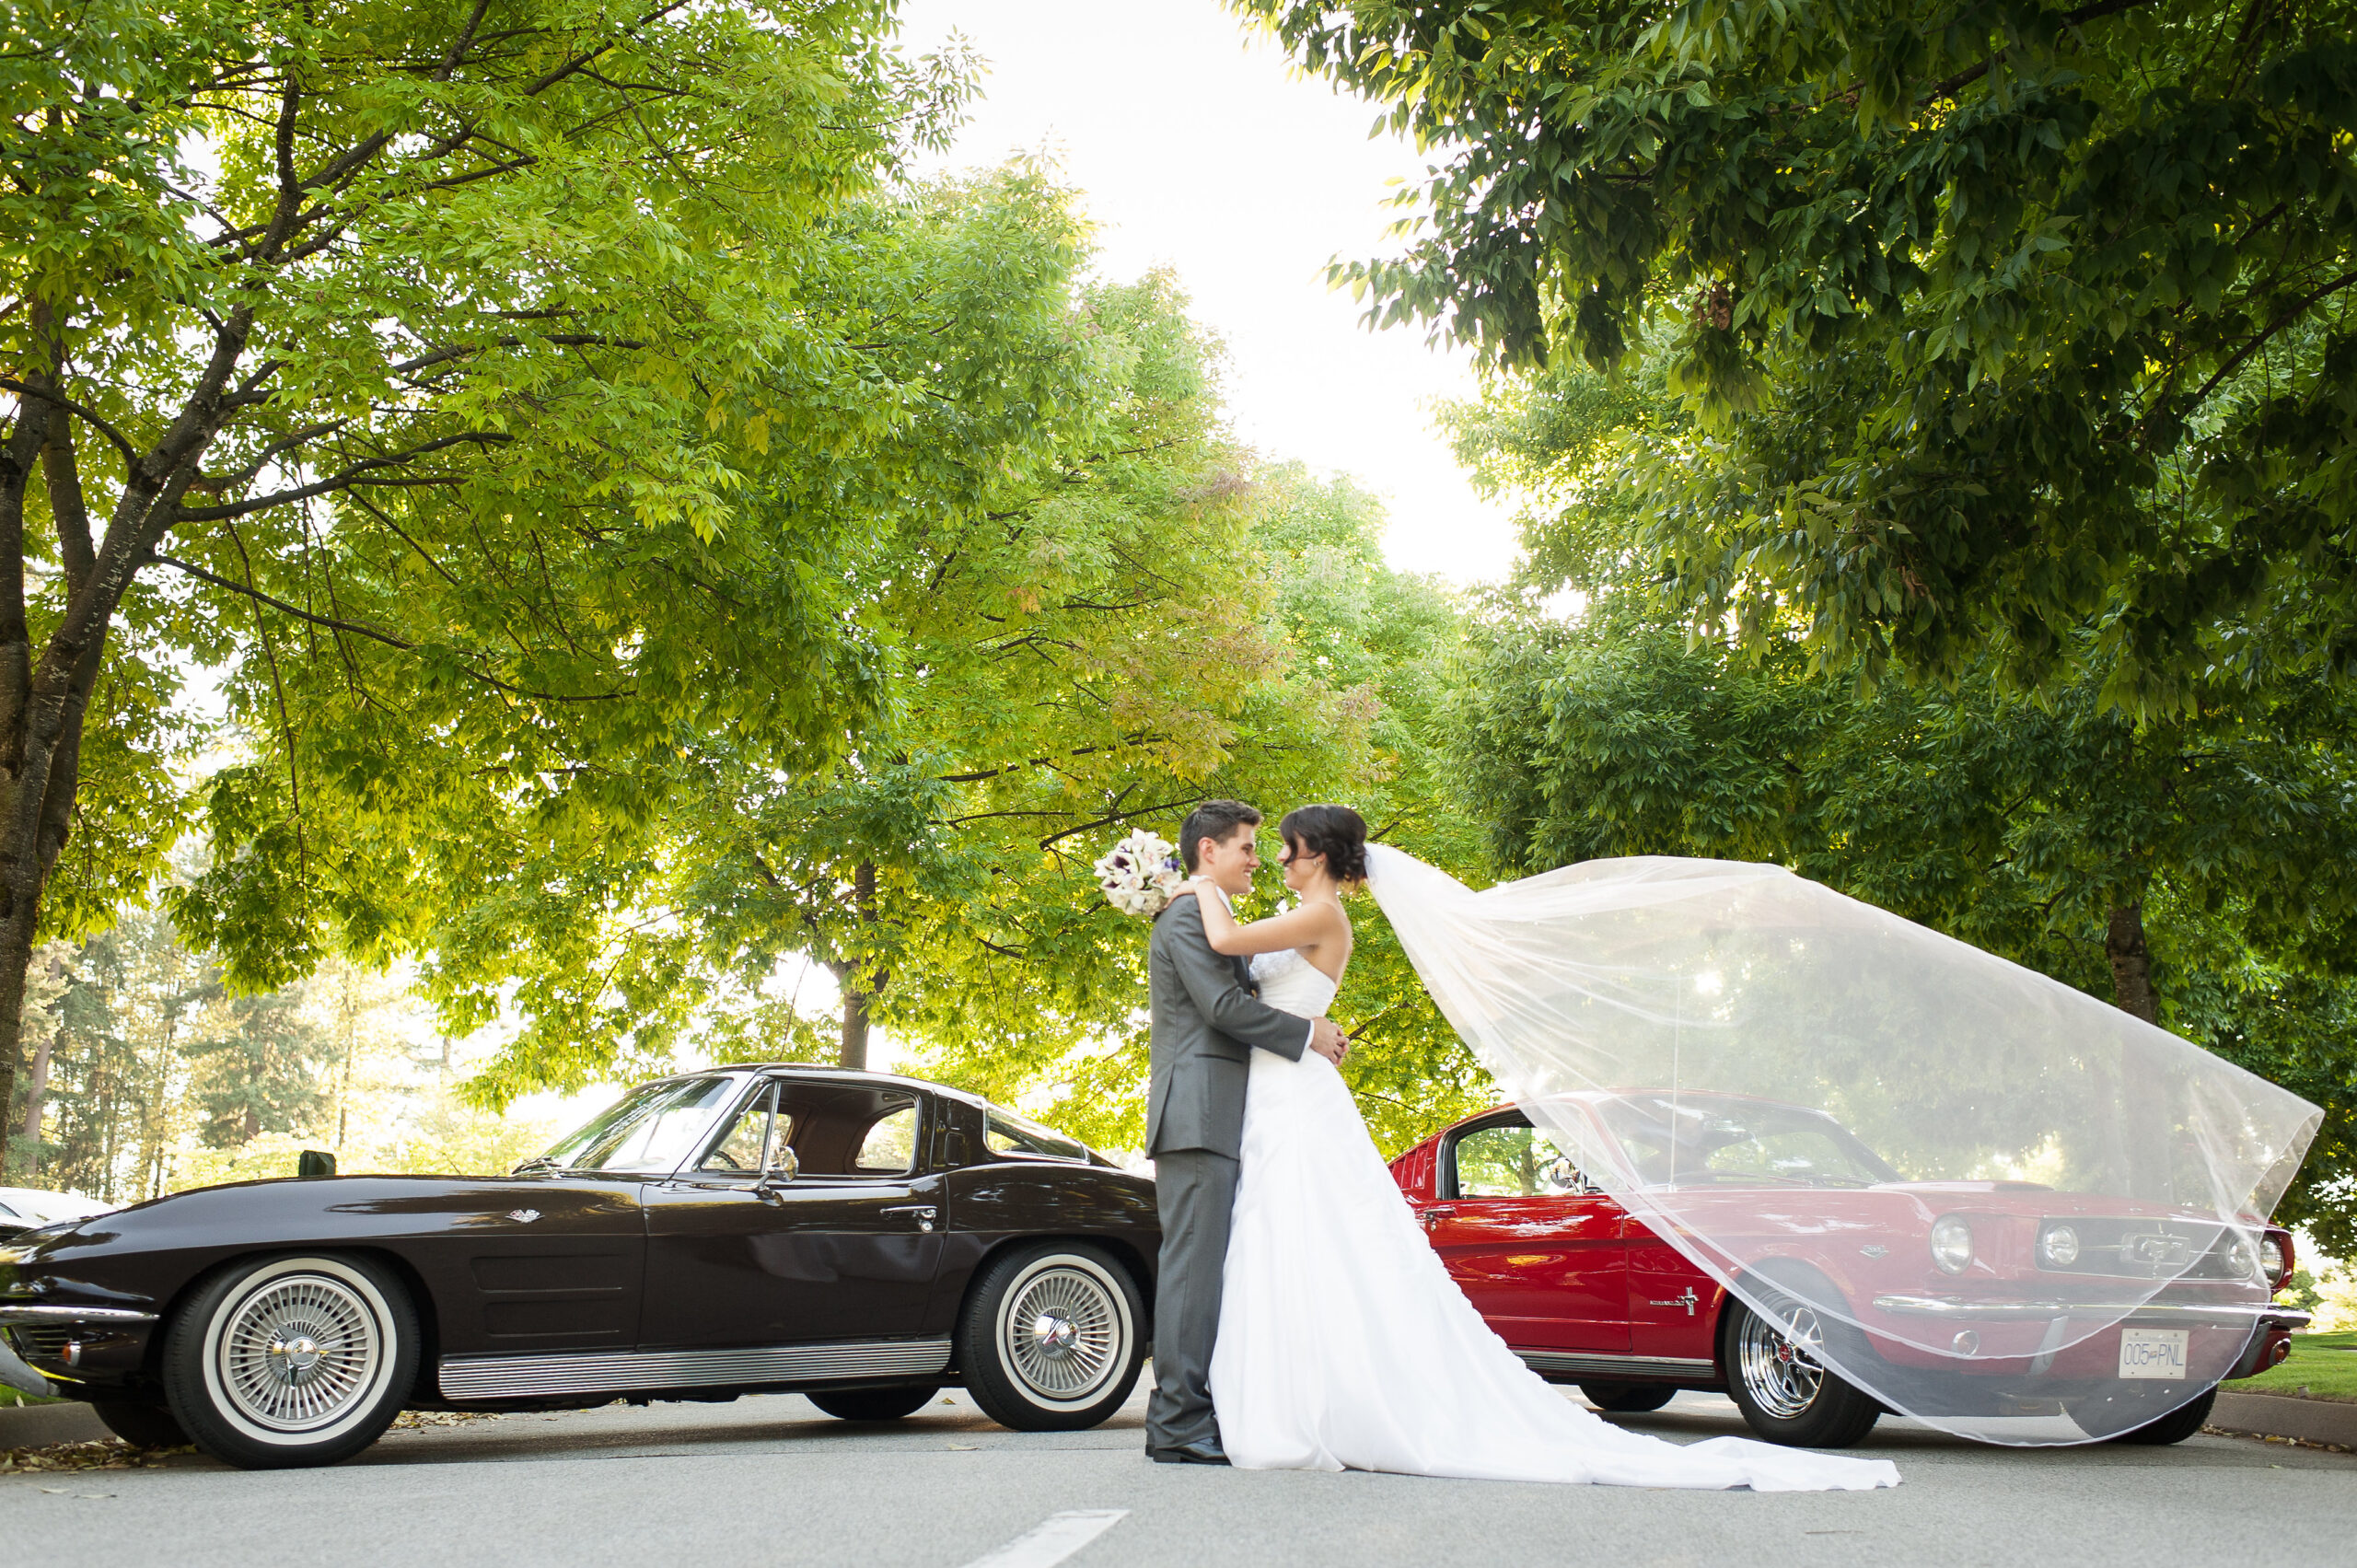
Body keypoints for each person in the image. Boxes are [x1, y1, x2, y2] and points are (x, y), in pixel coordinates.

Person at [1172, 803, 1899, 1491]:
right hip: (1272, 1093)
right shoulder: (1304, 913)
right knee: (1280, 1241)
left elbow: (1230, 945)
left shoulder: (1322, 915)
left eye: (1289, 851)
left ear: (1320, 856)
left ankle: (1303, 1406)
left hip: (1296, 1097)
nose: (1276, 860)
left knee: (1300, 1234)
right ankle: (1289, 1394)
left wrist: (1192, 886)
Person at [1143, 798, 1350, 1466]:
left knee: (1215, 1268)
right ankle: (1176, 1423)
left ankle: (1216, 1409)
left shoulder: (1208, 911)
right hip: (1197, 1113)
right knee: (1192, 1271)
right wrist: (1306, 1032)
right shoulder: (1184, 914)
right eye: (1246, 849)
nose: (1258, 860)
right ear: (1210, 852)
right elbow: (1225, 1006)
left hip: (1230, 1110)